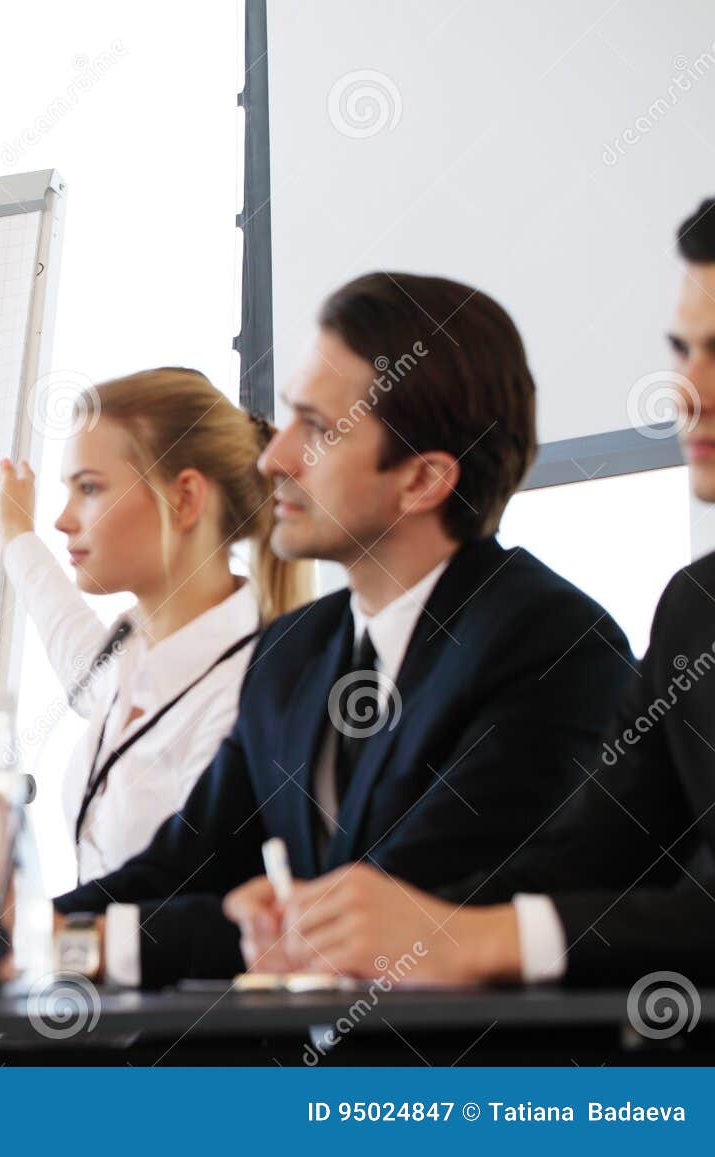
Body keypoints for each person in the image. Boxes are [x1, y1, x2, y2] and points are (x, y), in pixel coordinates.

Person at [0, 272, 632, 989]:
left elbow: (356, 921)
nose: (273, 457)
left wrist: (48, 946)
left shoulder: (550, 646)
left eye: (317, 429)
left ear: (422, 479)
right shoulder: (295, 652)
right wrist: (5, 925)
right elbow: (180, 869)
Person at [224, 198, 715, 988]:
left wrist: (475, 938)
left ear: (424, 478)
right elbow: (589, 858)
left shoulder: (551, 641)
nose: (683, 389)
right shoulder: (697, 606)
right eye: (684, 351)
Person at [0, 368, 309, 886]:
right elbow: (72, 641)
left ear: (185, 499)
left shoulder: (247, 697)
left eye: (90, 488)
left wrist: (28, 930)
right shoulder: (129, 661)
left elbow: (186, 911)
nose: (63, 520)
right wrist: (16, 536)